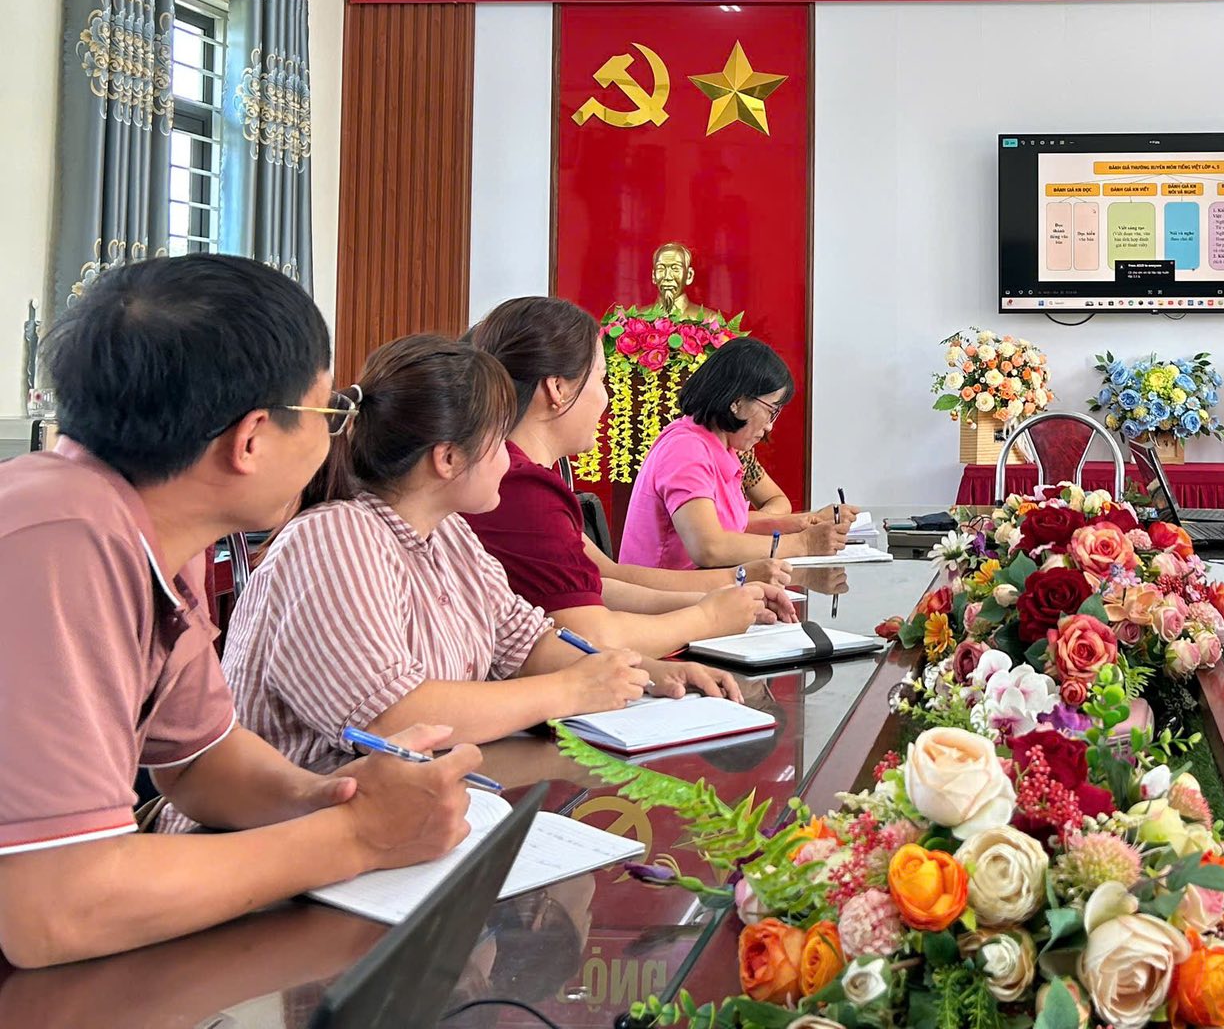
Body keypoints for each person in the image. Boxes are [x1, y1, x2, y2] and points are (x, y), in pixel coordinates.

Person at [0, 257, 473, 968]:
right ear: (251, 439)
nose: (334, 438)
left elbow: (199, 759)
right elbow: (56, 909)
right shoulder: (60, 542)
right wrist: (359, 836)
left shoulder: (158, 532)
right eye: (328, 413)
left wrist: (334, 796)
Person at [211, 334, 708, 785]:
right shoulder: (335, 539)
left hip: (398, 808)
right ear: (448, 459)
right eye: (498, 442)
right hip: (280, 828)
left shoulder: (448, 533)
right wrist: (570, 691)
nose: (509, 459)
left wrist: (638, 671)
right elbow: (392, 718)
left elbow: (526, 641)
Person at [464, 296, 798, 657]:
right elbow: (592, 632)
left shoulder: (529, 478)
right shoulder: (521, 487)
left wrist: (723, 595)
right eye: (601, 379)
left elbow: (602, 579)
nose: (606, 399)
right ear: (557, 389)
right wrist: (709, 614)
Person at [618, 338, 853, 571]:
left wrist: (800, 524)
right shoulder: (685, 448)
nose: (770, 426)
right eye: (771, 411)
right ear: (737, 402)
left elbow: (732, 527)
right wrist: (804, 543)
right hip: (665, 592)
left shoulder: (723, 449)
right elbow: (709, 547)